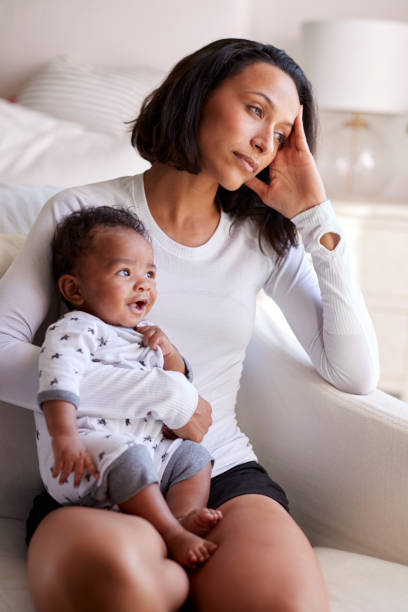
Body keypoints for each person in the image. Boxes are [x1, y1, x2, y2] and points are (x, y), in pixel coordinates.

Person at [0, 38, 379, 612]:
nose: (264, 142)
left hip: (214, 470)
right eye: (256, 110)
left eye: (280, 133)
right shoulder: (79, 213)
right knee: (136, 590)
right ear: (198, 94)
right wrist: (166, 396)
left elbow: (354, 373)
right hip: (96, 472)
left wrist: (316, 219)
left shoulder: (263, 243)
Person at [36, 205, 222, 569]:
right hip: (83, 456)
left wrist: (169, 352)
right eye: (125, 272)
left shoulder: (144, 335)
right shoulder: (77, 327)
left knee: (194, 458)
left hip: (144, 451)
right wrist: (64, 437)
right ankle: (171, 532)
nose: (143, 284)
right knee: (130, 456)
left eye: (150, 273)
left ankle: (183, 514)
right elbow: (58, 379)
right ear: (74, 289)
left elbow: (178, 386)